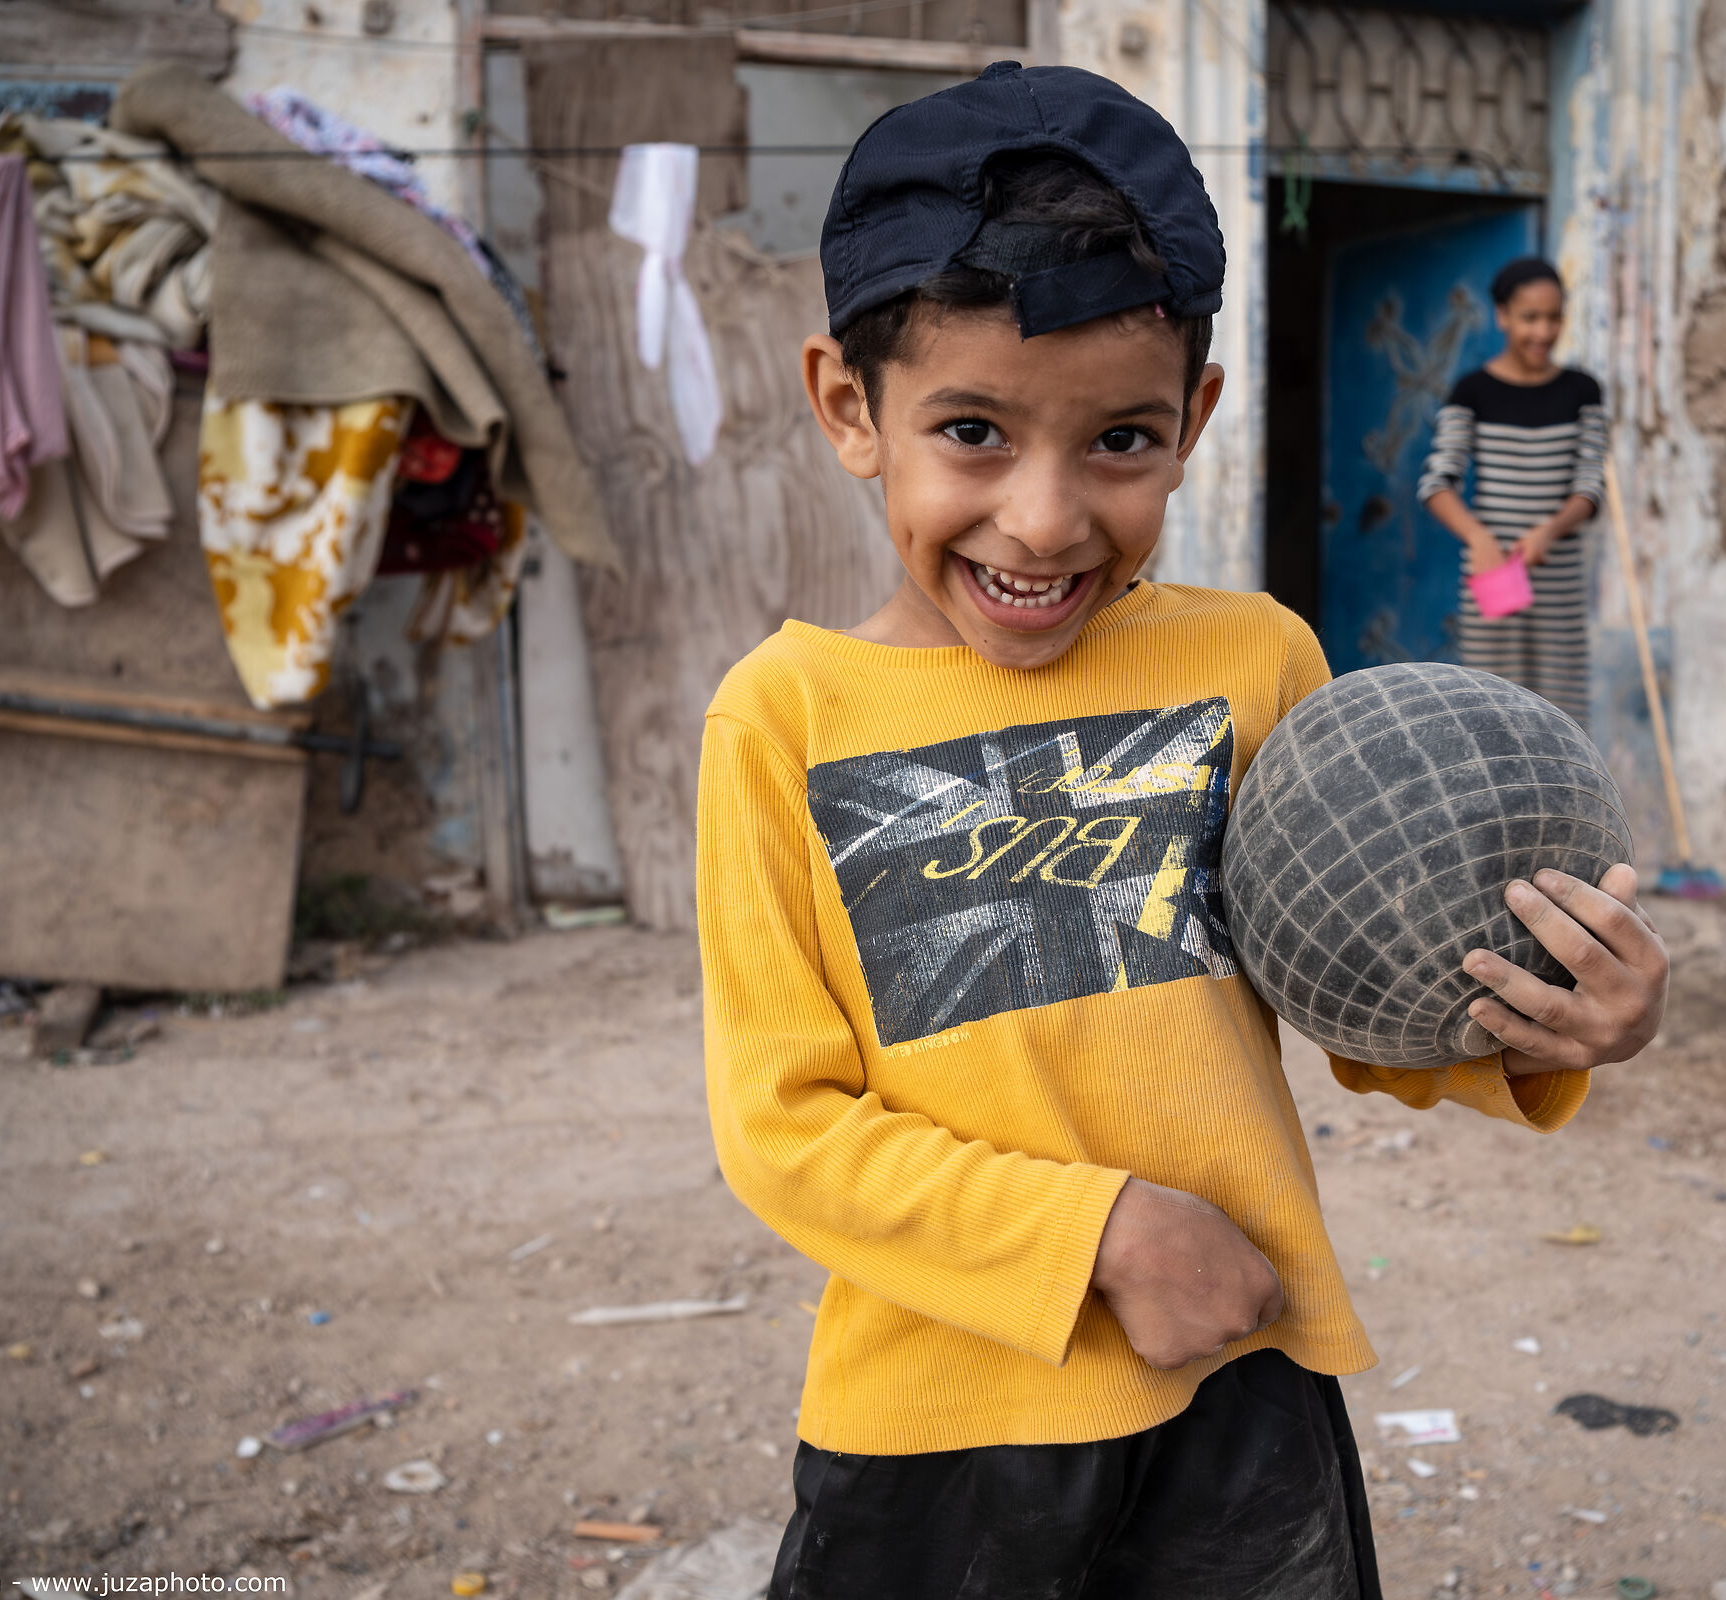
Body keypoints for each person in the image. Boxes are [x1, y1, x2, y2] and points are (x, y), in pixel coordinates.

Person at [694, 65, 1669, 1600]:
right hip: (941, 1415)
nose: (1044, 519)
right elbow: (785, 1124)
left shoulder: (1252, 662)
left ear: (1194, 418)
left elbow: (1360, 991)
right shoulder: (784, 718)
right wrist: (1101, 1237)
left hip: (1241, 1385)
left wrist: (1554, 1021)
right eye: (972, 430)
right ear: (849, 408)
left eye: (1119, 442)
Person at [1417, 256, 1608, 720]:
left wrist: (1550, 530)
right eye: (1530, 317)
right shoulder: (1472, 392)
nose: (1543, 331)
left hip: (1558, 584)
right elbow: (1437, 482)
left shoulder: (1583, 392)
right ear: (1502, 316)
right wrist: (1478, 537)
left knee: (1562, 718)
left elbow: (1590, 485)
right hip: (1493, 575)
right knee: (1492, 714)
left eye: (1554, 318)